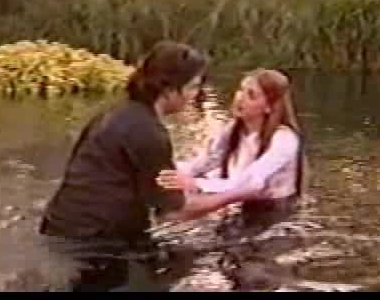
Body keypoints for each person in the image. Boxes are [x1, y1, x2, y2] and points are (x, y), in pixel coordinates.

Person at [38, 41, 261, 292]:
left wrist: (194, 183)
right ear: (168, 89)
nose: (195, 95)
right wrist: (238, 193)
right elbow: (173, 212)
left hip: (59, 227)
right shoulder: (150, 133)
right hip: (98, 245)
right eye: (192, 87)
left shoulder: (112, 115)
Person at [156, 69, 310, 228]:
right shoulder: (233, 130)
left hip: (278, 215)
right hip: (242, 207)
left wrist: (195, 183)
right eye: (241, 90)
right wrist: (167, 173)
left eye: (251, 95)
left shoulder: (284, 139)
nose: (239, 98)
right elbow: (204, 162)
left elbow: (250, 182)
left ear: (269, 108)